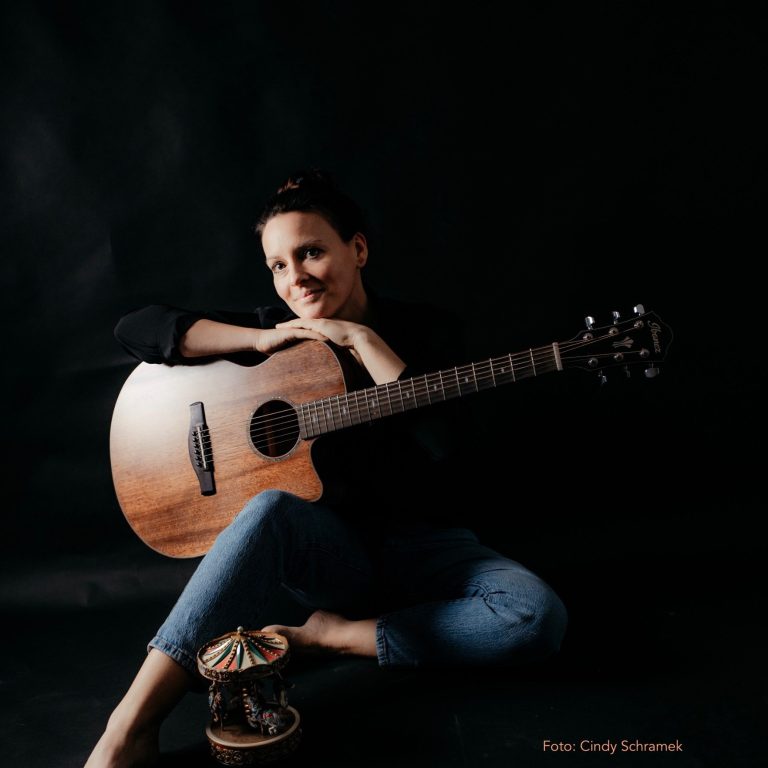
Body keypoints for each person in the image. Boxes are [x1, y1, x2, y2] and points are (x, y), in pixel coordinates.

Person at [85, 169, 568, 768]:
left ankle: (328, 637)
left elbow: (446, 442)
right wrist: (259, 341)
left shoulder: (430, 331)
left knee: (535, 618)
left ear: (357, 249)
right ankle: (130, 726)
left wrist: (362, 339)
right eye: (278, 264)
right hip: (330, 555)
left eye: (311, 252)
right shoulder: (276, 331)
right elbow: (137, 328)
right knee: (270, 508)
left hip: (430, 549)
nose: (296, 277)